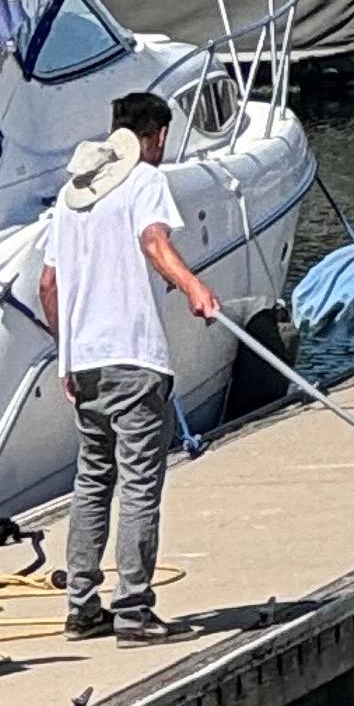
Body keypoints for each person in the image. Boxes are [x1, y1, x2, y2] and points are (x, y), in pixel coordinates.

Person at [40, 85, 231, 643]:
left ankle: (81, 604)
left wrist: (67, 352)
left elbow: (48, 284)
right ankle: (133, 609)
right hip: (133, 357)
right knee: (141, 484)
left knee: (93, 481)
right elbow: (153, 242)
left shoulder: (72, 195)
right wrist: (194, 286)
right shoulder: (145, 180)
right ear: (159, 135)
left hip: (86, 365)